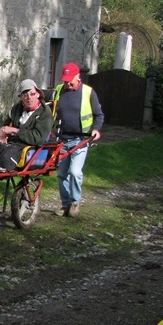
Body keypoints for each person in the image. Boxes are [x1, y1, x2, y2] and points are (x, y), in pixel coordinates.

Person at [0, 79, 54, 194]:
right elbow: (6, 125)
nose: (29, 98)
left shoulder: (45, 113)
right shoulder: (17, 108)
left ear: (38, 94)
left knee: (7, 155)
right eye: (25, 95)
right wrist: (2, 130)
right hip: (10, 143)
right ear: (21, 97)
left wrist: (16, 131)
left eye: (32, 94)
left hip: (28, 147)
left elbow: (38, 137)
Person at [53, 62, 104, 218]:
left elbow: (99, 115)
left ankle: (75, 203)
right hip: (62, 139)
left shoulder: (88, 92)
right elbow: (52, 112)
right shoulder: (59, 90)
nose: (67, 83)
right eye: (65, 80)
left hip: (80, 140)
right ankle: (65, 205)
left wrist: (96, 129)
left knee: (75, 172)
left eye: (70, 79)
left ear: (77, 76)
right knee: (62, 174)